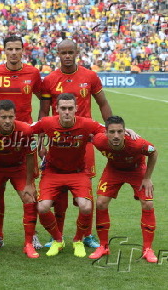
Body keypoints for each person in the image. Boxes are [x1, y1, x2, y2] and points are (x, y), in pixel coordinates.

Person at [39, 39, 113, 248]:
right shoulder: (50, 80)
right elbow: (44, 112)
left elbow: (103, 103)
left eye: (71, 52)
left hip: (83, 141)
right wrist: (41, 142)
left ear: (77, 52)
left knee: (85, 188)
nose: (67, 56)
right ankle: (58, 236)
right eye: (64, 53)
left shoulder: (89, 76)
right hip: (57, 141)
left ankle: (86, 235)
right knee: (59, 191)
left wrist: (110, 129)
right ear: (58, 54)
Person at [0, 35, 42, 249]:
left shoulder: (33, 73)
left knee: (29, 190)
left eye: (17, 49)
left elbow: (44, 97)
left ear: (23, 51)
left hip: (24, 139)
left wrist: (40, 125)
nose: (14, 52)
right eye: (10, 49)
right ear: (4, 51)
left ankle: (32, 234)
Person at [31, 93, 105, 258]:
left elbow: (110, 130)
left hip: (77, 173)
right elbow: (26, 128)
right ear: (56, 109)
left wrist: (127, 130)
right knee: (42, 207)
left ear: (76, 109)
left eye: (70, 108)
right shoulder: (47, 122)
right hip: (52, 172)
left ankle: (78, 240)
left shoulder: (86, 124)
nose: (66, 112)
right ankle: (58, 239)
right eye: (63, 108)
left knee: (86, 206)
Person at [89, 116, 158, 263]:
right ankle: (103, 246)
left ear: (124, 132)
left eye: (120, 131)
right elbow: (87, 129)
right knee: (100, 203)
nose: (116, 136)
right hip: (113, 170)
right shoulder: (99, 140)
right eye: (112, 132)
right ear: (105, 132)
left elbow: (154, 152)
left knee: (148, 203)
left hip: (137, 171)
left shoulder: (137, 143)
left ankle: (147, 249)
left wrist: (147, 178)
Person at [0, 100, 38, 258]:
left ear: (15, 116)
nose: (8, 121)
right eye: (4, 117)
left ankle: (29, 244)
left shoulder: (26, 131)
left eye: (11, 117)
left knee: (29, 197)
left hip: (19, 168)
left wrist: (30, 183)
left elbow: (31, 157)